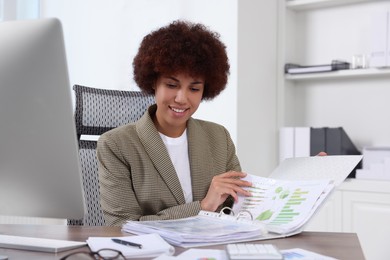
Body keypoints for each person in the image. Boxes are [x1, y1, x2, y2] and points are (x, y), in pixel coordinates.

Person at [97, 20, 252, 226]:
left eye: (194, 89)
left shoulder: (218, 138)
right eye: (172, 85)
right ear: (153, 82)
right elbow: (122, 226)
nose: (181, 98)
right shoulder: (117, 145)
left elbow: (237, 207)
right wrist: (202, 206)